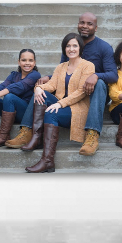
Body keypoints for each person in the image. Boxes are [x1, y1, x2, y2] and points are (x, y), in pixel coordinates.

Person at [7, 12, 117, 155]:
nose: (85, 26)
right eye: (82, 22)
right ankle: (27, 131)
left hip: (91, 94)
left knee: (100, 83)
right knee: (41, 93)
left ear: (96, 28)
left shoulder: (103, 48)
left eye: (89, 24)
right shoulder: (70, 47)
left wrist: (95, 75)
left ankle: (92, 135)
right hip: (69, 93)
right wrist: (44, 82)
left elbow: (113, 75)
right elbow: (64, 73)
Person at [25, 33, 96, 173]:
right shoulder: (61, 67)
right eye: (68, 46)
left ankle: (47, 160)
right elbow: (51, 85)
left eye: (75, 45)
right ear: (64, 49)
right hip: (60, 103)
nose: (71, 49)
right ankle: (37, 137)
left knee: (51, 114)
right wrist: (39, 88)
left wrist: (60, 104)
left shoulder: (88, 66)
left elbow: (82, 92)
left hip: (77, 109)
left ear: (80, 48)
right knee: (42, 95)